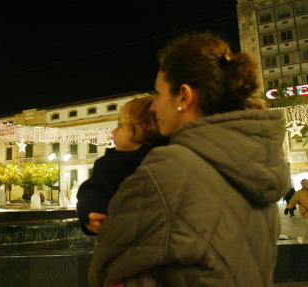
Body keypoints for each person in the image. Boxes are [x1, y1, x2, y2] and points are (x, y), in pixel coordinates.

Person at [88, 32, 290, 287]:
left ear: (183, 96)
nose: (153, 107)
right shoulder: (260, 166)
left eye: (159, 93)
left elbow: (106, 270)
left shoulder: (166, 170)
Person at [76, 96, 165, 235]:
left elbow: (92, 190)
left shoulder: (110, 165)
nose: (113, 131)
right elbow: (91, 191)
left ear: (140, 130)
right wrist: (92, 211)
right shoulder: (108, 164)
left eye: (120, 126)